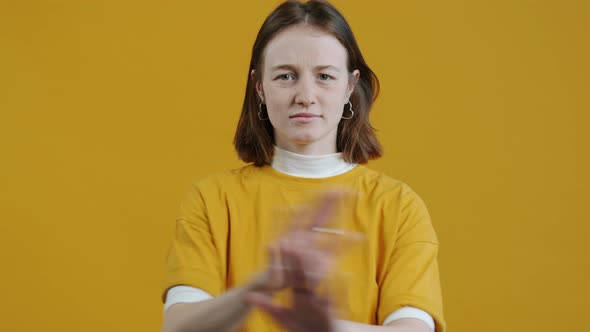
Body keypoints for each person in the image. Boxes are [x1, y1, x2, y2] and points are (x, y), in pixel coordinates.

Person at [161, 1, 445, 331]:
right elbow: (178, 327)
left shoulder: (398, 207)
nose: (305, 95)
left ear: (349, 87)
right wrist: (263, 285)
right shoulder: (211, 199)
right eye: (286, 76)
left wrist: (326, 327)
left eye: (324, 76)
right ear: (260, 88)